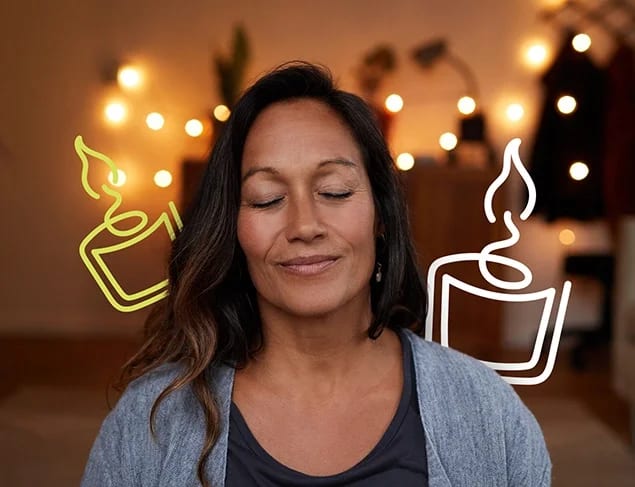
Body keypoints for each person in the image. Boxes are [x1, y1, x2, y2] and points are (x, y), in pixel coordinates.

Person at [81, 62, 551, 487]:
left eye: (335, 191)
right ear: (232, 228)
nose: (304, 226)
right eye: (267, 198)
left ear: (381, 216)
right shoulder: (149, 422)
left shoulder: (488, 413)